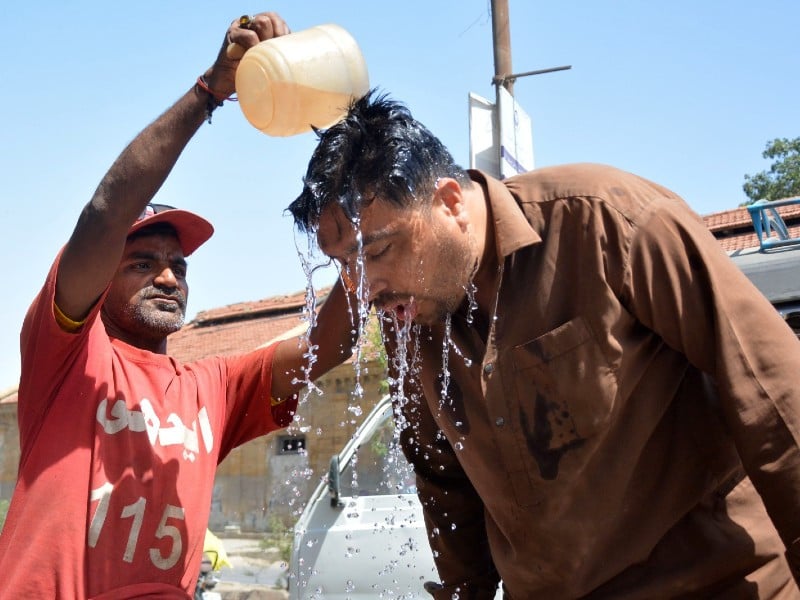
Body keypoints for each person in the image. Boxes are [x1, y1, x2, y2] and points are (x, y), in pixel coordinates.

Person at [288, 91, 800, 599]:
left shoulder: (607, 225)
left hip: (716, 582)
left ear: (448, 202)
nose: (363, 287)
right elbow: (442, 480)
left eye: (377, 251)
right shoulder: (409, 319)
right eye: (344, 266)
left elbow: (771, 394)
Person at [0, 12, 353, 599]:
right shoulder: (66, 355)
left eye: (179, 266)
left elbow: (334, 341)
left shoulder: (211, 386)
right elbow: (109, 209)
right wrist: (210, 92)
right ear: (99, 278)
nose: (168, 276)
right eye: (142, 263)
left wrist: (354, 192)